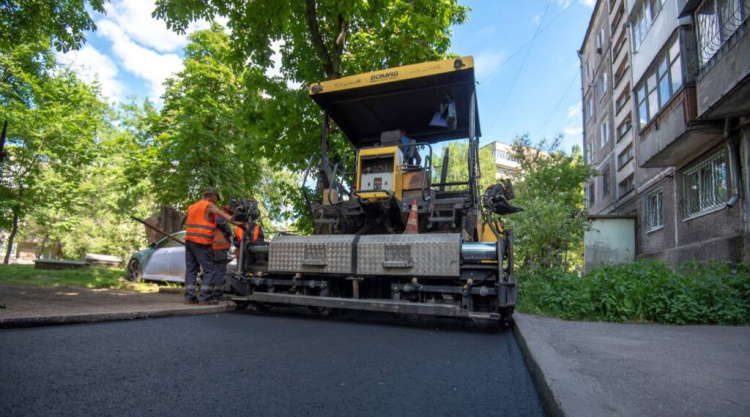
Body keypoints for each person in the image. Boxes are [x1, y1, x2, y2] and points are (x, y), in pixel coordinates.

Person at [184, 186, 236, 305]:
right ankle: (205, 297)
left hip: (189, 241)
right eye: (216, 198)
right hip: (202, 241)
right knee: (210, 269)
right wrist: (240, 223)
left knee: (191, 269)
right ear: (212, 195)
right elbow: (225, 217)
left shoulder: (192, 207)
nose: (216, 201)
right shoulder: (208, 205)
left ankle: (189, 297)